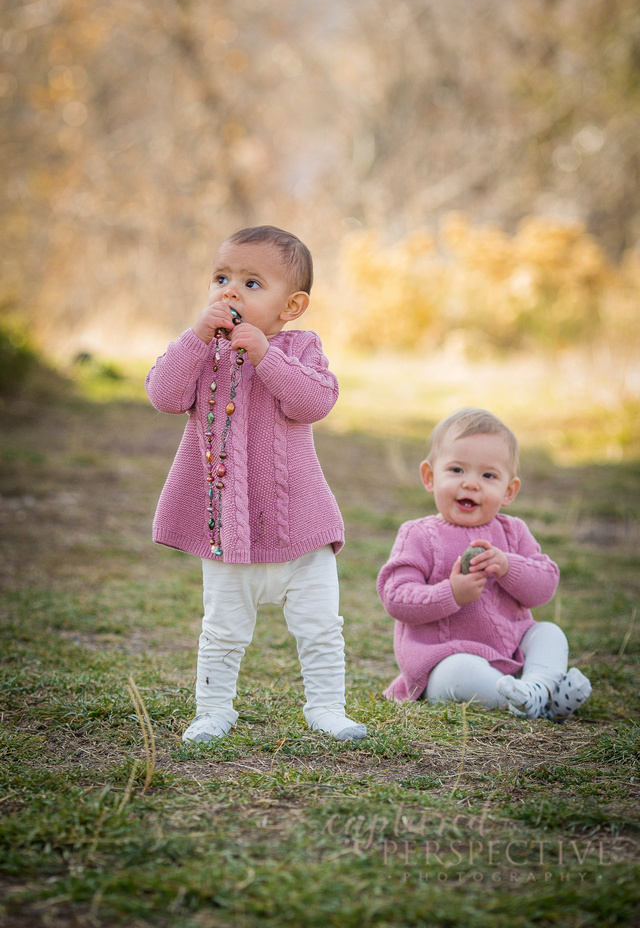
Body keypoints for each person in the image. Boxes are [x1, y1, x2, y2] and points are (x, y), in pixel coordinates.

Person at [146, 225, 366, 743]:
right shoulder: (201, 353)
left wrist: (266, 354)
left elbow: (315, 402)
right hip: (227, 528)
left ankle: (326, 708)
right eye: (221, 277)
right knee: (221, 631)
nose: (229, 291)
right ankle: (214, 711)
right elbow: (163, 394)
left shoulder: (301, 348)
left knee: (320, 628)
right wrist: (196, 338)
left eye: (250, 283)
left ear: (291, 305)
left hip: (300, 531)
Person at [377, 408, 591, 721]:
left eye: (488, 475)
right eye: (457, 470)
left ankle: (536, 688)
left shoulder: (513, 532)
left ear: (509, 491)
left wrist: (509, 567)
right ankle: (537, 702)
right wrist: (451, 593)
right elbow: (396, 597)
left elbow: (544, 586)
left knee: (549, 633)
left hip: (512, 656)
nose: (472, 484)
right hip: (443, 661)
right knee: (459, 672)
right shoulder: (418, 534)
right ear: (429, 476)